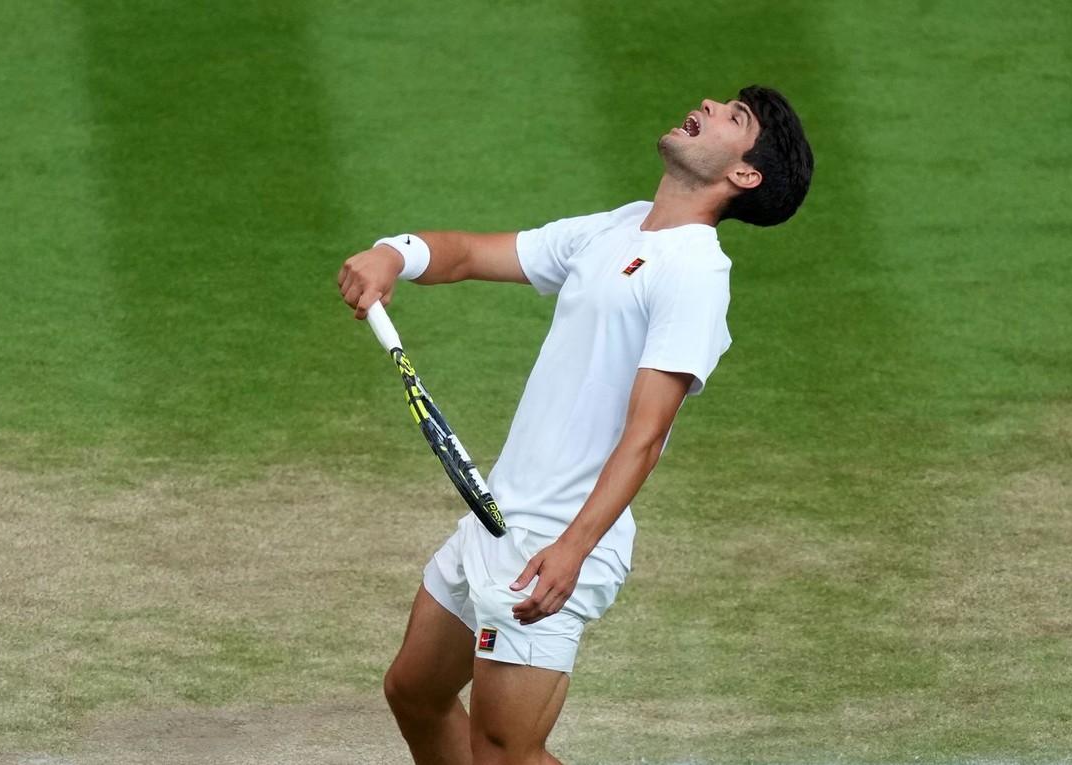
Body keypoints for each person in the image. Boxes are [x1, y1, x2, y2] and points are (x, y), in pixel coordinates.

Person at [337, 85, 812, 765]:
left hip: (557, 539)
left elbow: (645, 437)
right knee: (414, 692)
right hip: (498, 516)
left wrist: (573, 549)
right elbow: (469, 253)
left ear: (744, 174)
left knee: (506, 751)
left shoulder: (696, 274)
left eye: (734, 117)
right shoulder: (619, 228)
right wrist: (394, 253)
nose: (709, 104)